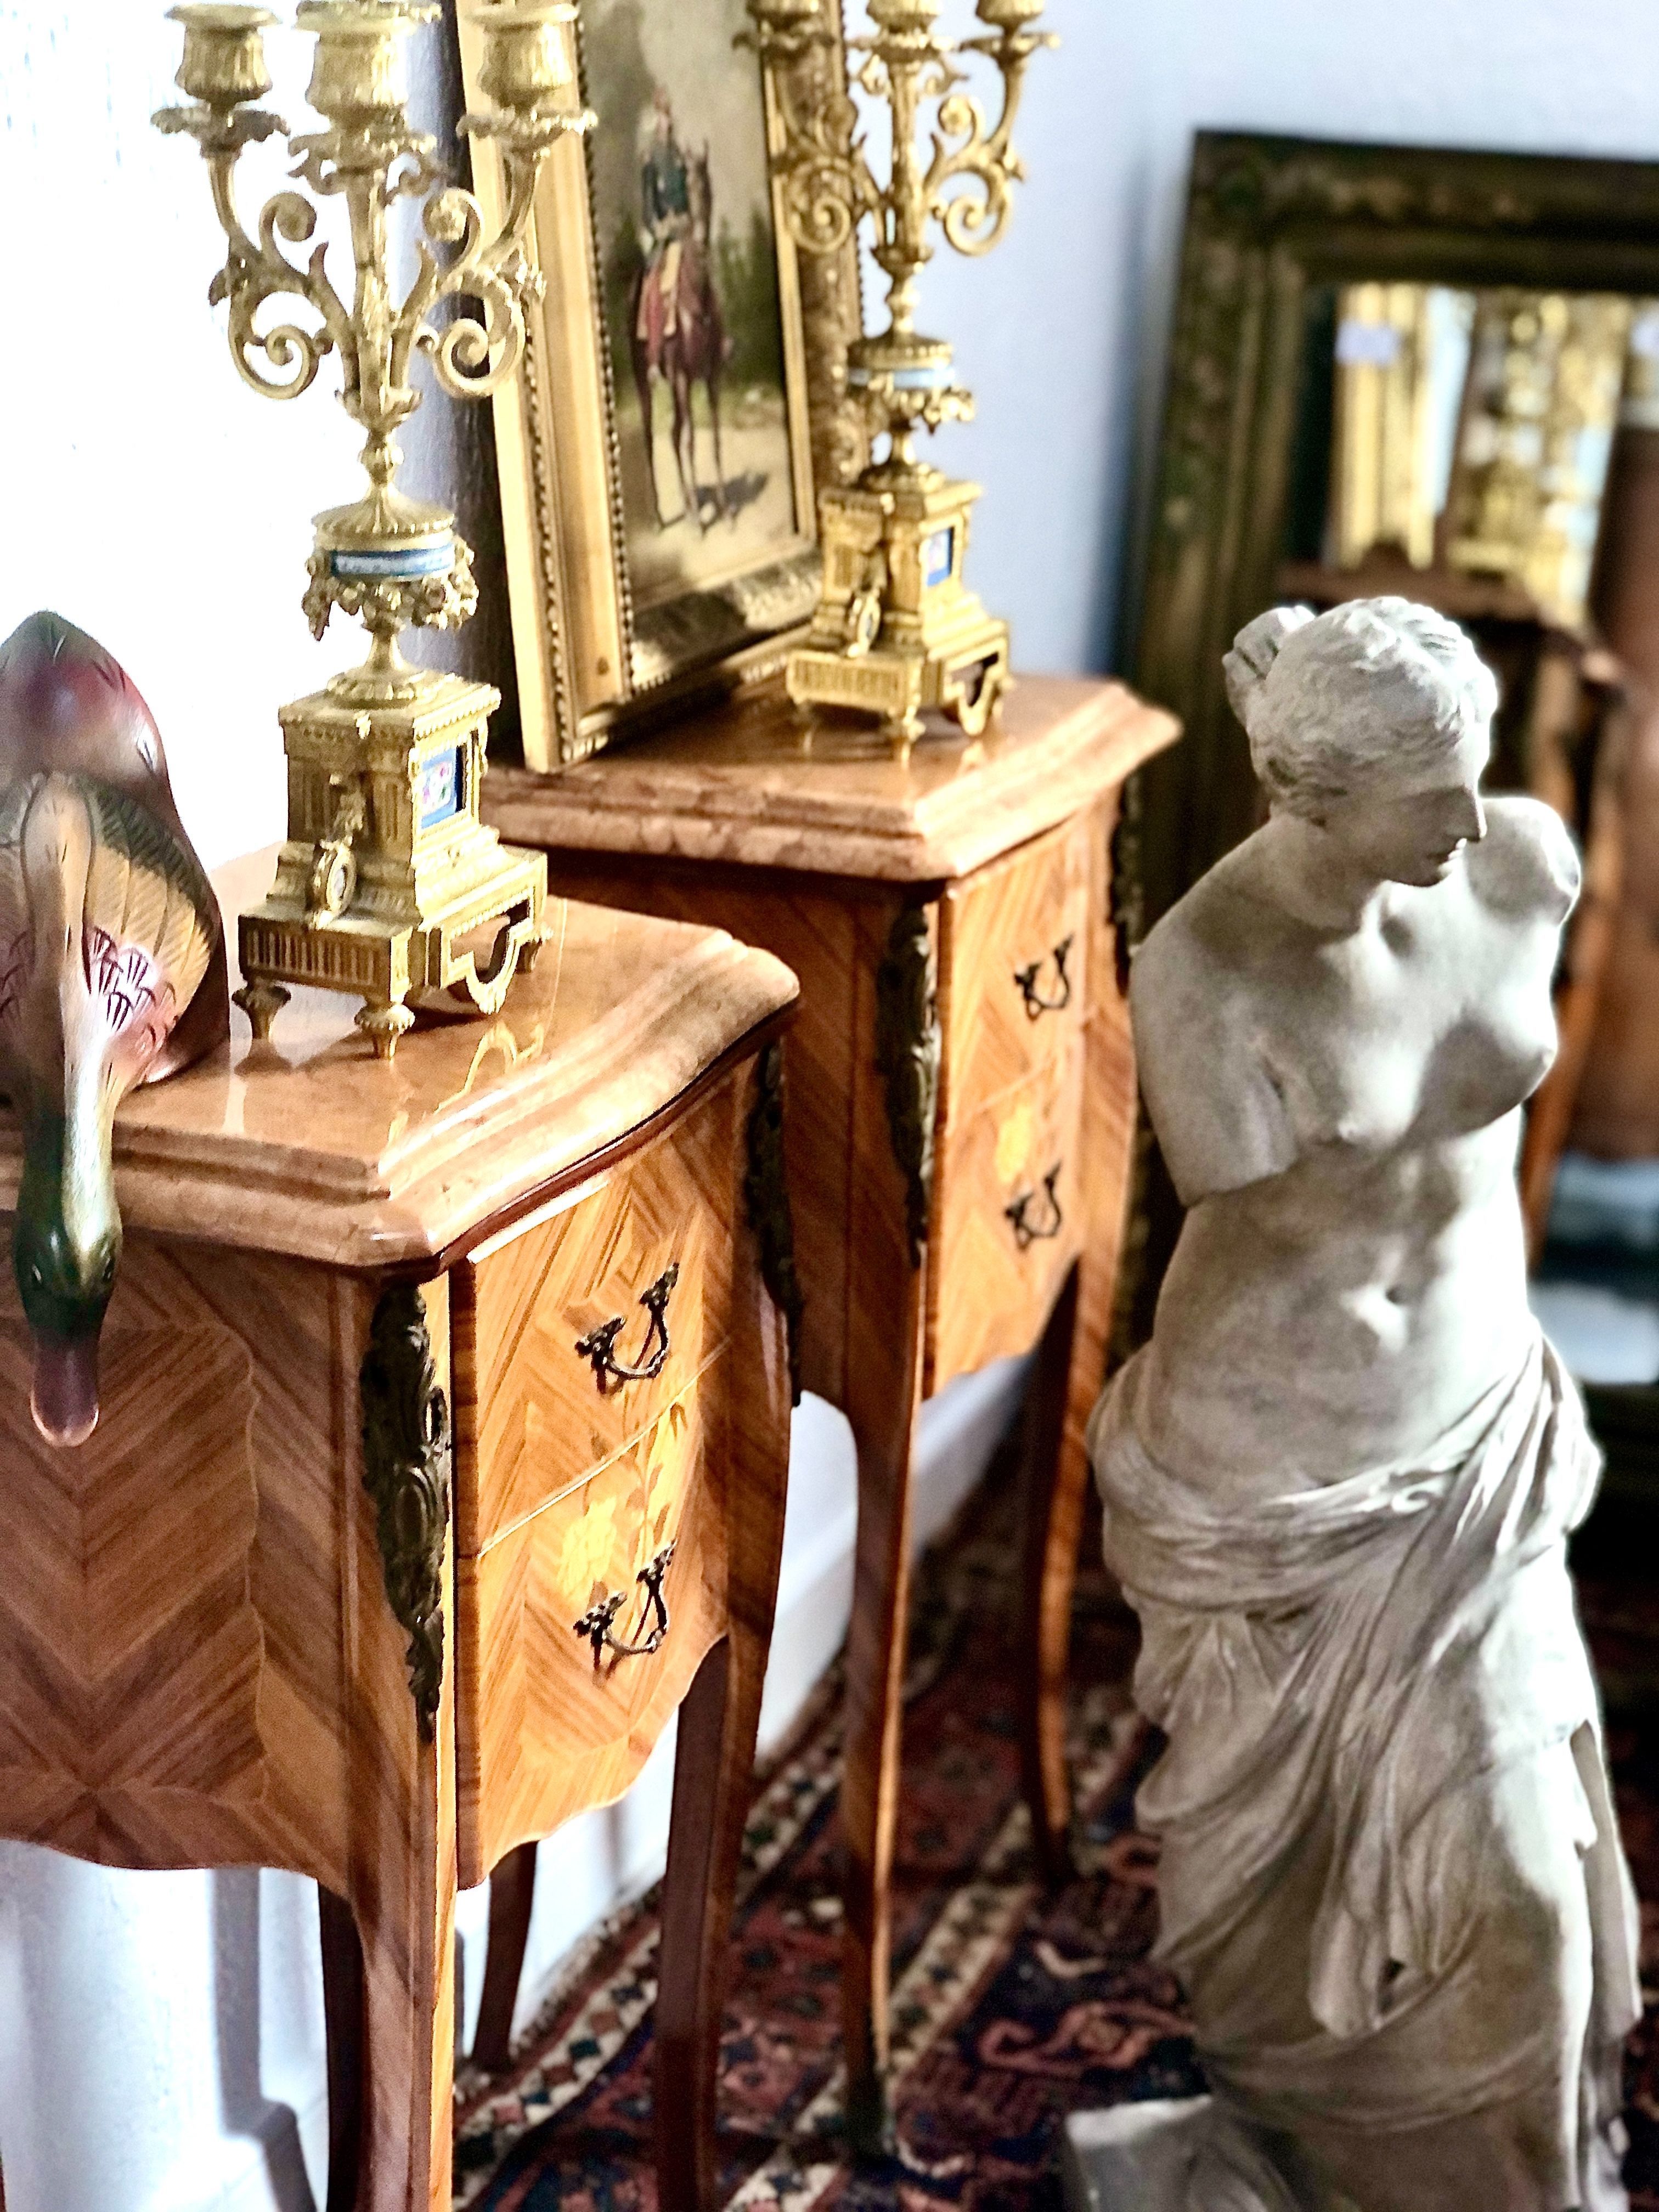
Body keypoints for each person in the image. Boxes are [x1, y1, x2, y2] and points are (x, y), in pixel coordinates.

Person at [1089, 596, 1640, 2211]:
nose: (1475, 819)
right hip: (1280, 1481)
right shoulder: (1202, 971)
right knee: (1274, 1915)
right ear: (1315, 793)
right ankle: (1293, 2153)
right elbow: (1228, 1209)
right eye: (1432, 792)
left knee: (1528, 1900)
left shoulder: (1518, 866)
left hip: (1470, 1444)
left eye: (1477, 773)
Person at [637, 86, 691, 353]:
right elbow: (648, 205)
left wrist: (685, 219)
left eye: (667, 115)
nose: (664, 122)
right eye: (660, 116)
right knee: (657, 283)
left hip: (682, 231)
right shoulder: (651, 163)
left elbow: (689, 197)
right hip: (661, 235)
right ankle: (655, 352)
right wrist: (658, 227)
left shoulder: (679, 158)